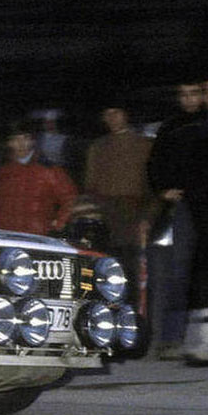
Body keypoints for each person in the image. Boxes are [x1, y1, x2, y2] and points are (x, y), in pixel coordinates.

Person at [145, 80, 205, 358]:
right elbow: (155, 164)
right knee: (175, 275)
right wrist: (163, 189)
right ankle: (171, 339)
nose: (190, 99)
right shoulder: (171, 127)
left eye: (195, 93)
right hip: (180, 211)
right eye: (184, 94)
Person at [83, 102, 156, 296]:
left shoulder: (144, 145)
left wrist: (147, 217)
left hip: (134, 215)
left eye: (116, 113)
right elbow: (91, 185)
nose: (112, 118)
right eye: (108, 114)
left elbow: (152, 187)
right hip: (106, 217)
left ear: (125, 115)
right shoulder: (98, 147)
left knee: (134, 271)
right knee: (106, 269)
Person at [180, 78, 208, 363]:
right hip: (206, 217)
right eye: (207, 91)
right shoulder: (196, 131)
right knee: (205, 278)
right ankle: (203, 344)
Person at [0, 121, 76, 235]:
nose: (21, 143)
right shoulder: (2, 170)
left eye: (26, 138)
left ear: (33, 141)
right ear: (9, 143)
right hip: (6, 233)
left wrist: (59, 224)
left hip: (39, 233)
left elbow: (70, 199)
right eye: (15, 139)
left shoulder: (50, 170)